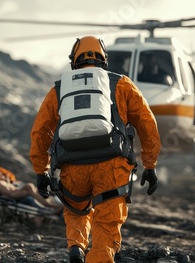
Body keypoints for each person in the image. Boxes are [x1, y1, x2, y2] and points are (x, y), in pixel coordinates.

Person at [30, 36, 160, 263]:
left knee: (76, 210)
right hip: (110, 166)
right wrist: (150, 165)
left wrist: (41, 171)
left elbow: (40, 132)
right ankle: (99, 257)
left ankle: (76, 247)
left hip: (71, 167)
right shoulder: (121, 84)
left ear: (74, 61)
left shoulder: (59, 90)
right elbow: (148, 125)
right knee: (106, 223)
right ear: (104, 60)